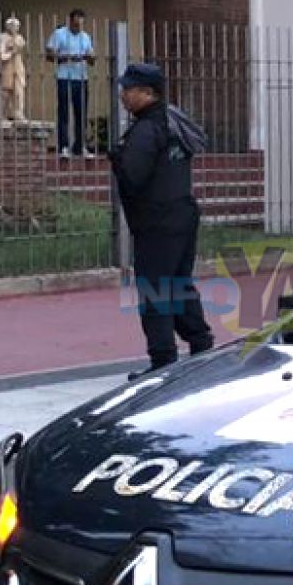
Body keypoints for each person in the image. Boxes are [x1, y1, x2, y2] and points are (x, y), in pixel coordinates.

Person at [110, 63, 214, 377]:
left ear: (148, 93)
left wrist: (117, 158)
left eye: (129, 89)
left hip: (157, 221)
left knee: (155, 289)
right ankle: (200, 344)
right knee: (178, 283)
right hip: (182, 213)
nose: (123, 95)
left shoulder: (146, 130)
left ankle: (162, 360)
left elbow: (133, 178)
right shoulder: (173, 122)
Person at [47, 9, 94, 157]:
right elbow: (49, 54)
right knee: (64, 112)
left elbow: (92, 59)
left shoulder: (85, 37)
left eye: (80, 23)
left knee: (81, 113)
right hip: (64, 77)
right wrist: (65, 56)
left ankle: (80, 146)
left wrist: (90, 57)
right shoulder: (60, 34)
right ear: (70, 21)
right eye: (75, 23)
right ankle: (63, 146)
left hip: (81, 78)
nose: (78, 26)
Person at [0, 17, 28, 122]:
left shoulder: (19, 38)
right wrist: (11, 51)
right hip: (7, 66)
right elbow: (2, 54)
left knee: (19, 90)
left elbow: (21, 45)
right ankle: (4, 114)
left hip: (18, 65)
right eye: (12, 26)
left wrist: (15, 48)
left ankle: (18, 112)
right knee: (6, 91)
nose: (14, 28)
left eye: (16, 26)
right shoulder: (3, 37)